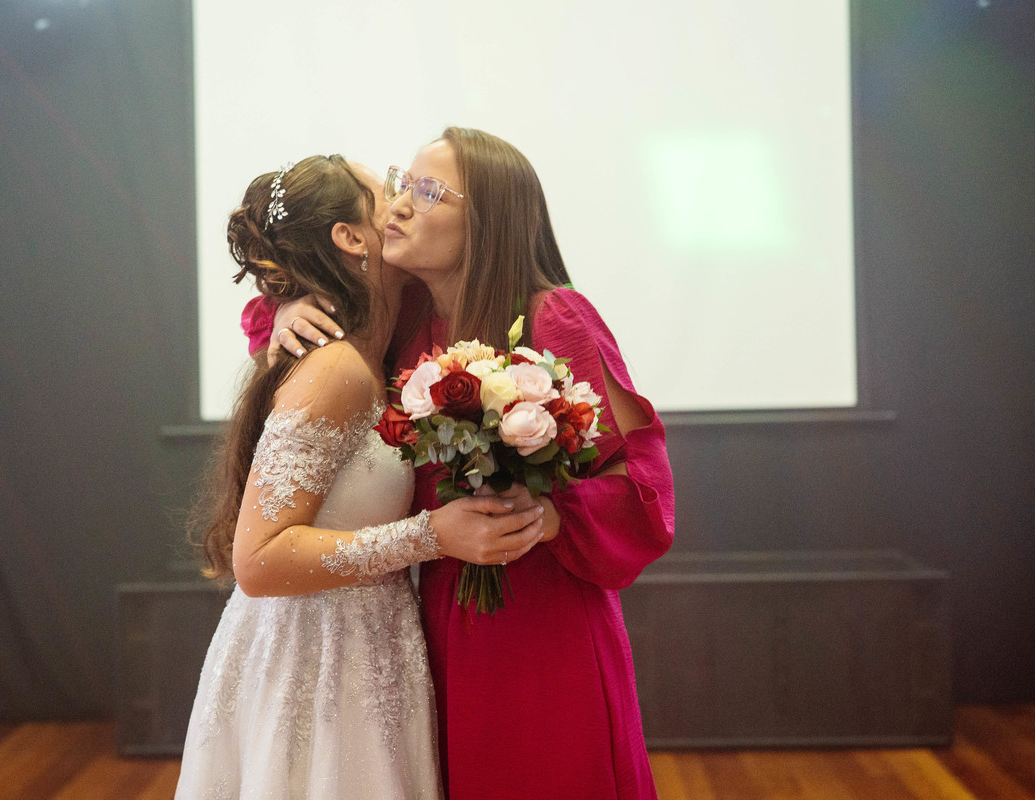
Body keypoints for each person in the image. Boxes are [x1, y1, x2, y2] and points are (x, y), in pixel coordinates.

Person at [245, 128, 676, 800]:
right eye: (401, 182)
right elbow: (308, 325)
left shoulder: (556, 316)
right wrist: (283, 309)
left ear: (488, 221)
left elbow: (644, 484)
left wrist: (548, 518)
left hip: (540, 627)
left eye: (427, 190)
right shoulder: (406, 317)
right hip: (435, 627)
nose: (400, 205)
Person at [175, 154, 546, 800]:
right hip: (314, 664)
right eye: (389, 197)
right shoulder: (337, 370)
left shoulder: (378, 354)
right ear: (350, 239)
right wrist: (432, 534)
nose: (405, 206)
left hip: (361, 655)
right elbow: (258, 560)